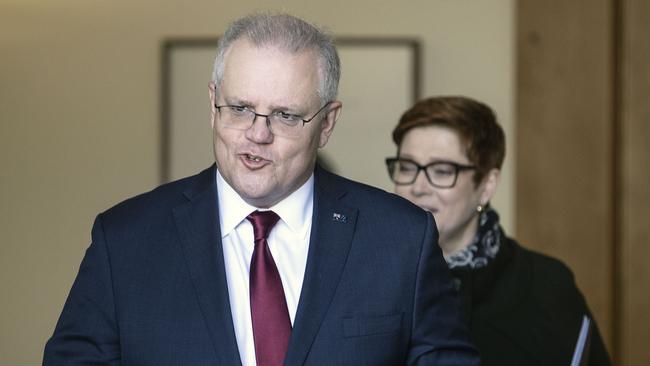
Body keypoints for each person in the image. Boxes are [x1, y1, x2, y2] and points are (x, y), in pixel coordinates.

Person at [43, 14, 479, 366]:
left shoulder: (401, 239)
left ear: (327, 123)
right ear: (213, 104)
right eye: (240, 108)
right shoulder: (124, 241)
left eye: (286, 116)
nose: (257, 134)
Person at [385, 96, 612, 366]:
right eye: (407, 167)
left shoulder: (546, 285)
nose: (418, 186)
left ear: (487, 185)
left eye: (442, 171)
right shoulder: (364, 272)